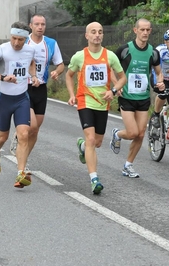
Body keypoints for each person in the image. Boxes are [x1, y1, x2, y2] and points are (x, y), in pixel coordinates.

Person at [66, 22, 127, 194]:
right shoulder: (79, 56)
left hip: (102, 103)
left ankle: (83, 147)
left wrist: (113, 91)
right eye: (93, 32)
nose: (97, 35)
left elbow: (123, 78)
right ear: (87, 36)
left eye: (100, 32)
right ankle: (94, 179)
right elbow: (69, 76)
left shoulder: (109, 56)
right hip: (85, 101)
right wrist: (72, 95)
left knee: (97, 143)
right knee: (91, 139)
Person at [0, 21, 40, 188]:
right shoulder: (1, 49)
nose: (16, 43)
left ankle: (20, 174)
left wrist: (33, 76)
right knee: (2, 137)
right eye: (14, 38)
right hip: (5, 99)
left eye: (20, 40)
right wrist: (3, 77)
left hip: (22, 99)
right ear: (10, 36)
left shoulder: (30, 50)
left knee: (23, 134)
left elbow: (32, 62)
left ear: (26, 39)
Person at [109, 18, 165, 178]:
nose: (145, 32)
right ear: (135, 30)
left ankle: (128, 165)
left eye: (148, 30)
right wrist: (116, 85)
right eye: (142, 30)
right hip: (126, 96)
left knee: (140, 134)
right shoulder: (125, 49)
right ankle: (117, 134)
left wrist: (160, 82)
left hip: (143, 97)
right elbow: (111, 67)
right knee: (132, 132)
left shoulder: (153, 52)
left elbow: (158, 71)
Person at [9, 14, 65, 159]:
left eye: (43, 24)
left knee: (35, 130)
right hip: (24, 87)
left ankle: (23, 158)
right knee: (31, 126)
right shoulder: (23, 41)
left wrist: (56, 72)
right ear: (31, 26)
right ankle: (19, 136)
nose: (40, 27)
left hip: (41, 88)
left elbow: (60, 64)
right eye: (37, 24)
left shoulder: (51, 43)